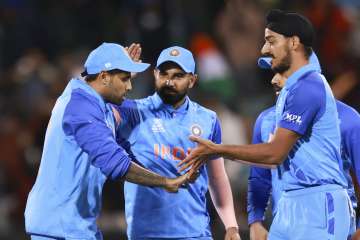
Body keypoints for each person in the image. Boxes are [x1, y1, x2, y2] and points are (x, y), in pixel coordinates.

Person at [178, 9, 352, 239]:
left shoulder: (310, 87)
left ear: (294, 43)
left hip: (318, 205)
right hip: (287, 206)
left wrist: (216, 150)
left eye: (271, 42)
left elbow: (274, 154)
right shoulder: (274, 112)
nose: (264, 50)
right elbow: (260, 171)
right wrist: (256, 220)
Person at [24, 42, 189, 240]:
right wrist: (165, 181)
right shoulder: (80, 108)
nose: (129, 86)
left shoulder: (98, 101)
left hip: (77, 227)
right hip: (58, 229)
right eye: (125, 79)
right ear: (103, 77)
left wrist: (120, 71)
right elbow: (115, 164)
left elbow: (135, 110)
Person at [114, 46, 240, 240]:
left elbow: (217, 178)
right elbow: (94, 105)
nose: (169, 81)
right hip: (146, 235)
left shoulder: (208, 119)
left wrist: (231, 225)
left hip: (195, 233)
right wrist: (125, 75)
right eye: (163, 73)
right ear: (154, 74)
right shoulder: (134, 112)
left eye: (178, 75)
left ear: (192, 80)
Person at [248, 54, 359, 240]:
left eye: (284, 73)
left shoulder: (348, 120)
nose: (275, 80)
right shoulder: (265, 121)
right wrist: (256, 222)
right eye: (274, 72)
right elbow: (259, 178)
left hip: (333, 224)